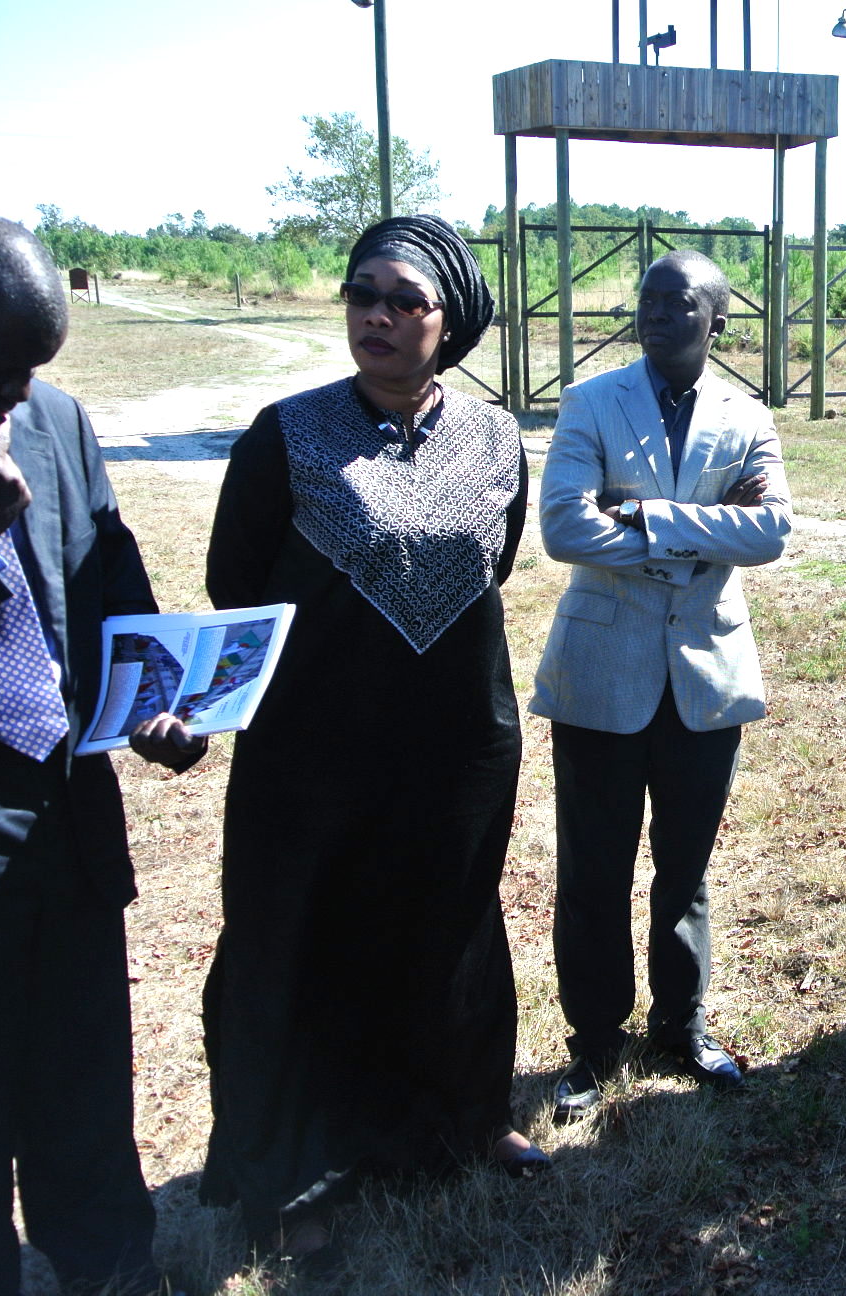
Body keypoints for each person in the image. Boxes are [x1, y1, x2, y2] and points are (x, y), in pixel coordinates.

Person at [201, 214, 541, 1265]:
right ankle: (292, 1172)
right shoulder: (286, 433)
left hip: (456, 738)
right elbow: (233, 580)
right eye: (361, 296)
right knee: (295, 935)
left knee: (449, 923)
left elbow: (497, 565)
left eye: (404, 301)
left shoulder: (496, 439)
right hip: (311, 745)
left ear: (451, 324)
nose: (377, 317)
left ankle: (459, 1125)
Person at [0, 215, 205, 1296]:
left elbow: (106, 561)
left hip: (65, 797)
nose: (16, 391)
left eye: (37, 367)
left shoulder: (54, 418)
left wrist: (154, 697)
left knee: (84, 1072)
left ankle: (112, 1268)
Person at [533, 249, 792, 1122]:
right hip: (601, 671)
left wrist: (645, 513)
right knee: (593, 870)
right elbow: (565, 526)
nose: (653, 312)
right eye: (646, 299)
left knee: (686, 868)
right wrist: (702, 535)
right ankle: (595, 1045)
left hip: (706, 676)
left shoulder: (748, 416)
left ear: (716, 321)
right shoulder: (591, 402)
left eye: (677, 302)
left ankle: (680, 1027)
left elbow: (770, 533)